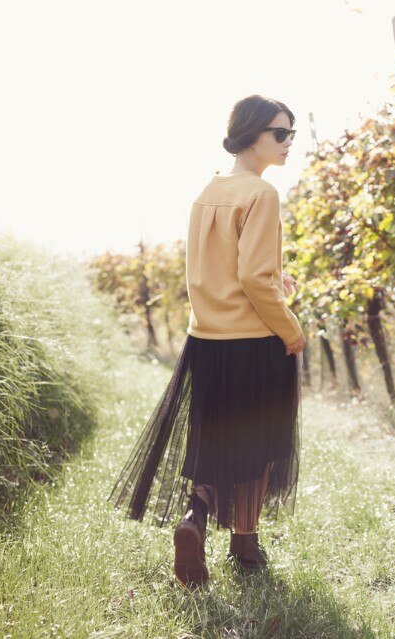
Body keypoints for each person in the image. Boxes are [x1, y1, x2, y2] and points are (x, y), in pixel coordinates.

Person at [107, 94, 307, 589]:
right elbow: (254, 278)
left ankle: (194, 519)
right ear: (252, 135)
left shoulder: (208, 190)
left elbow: (218, 268)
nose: (288, 143)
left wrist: (273, 278)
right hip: (255, 340)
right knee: (258, 445)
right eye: (280, 133)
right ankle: (245, 545)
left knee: (215, 438)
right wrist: (291, 330)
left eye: (291, 133)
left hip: (208, 340)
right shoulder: (262, 194)